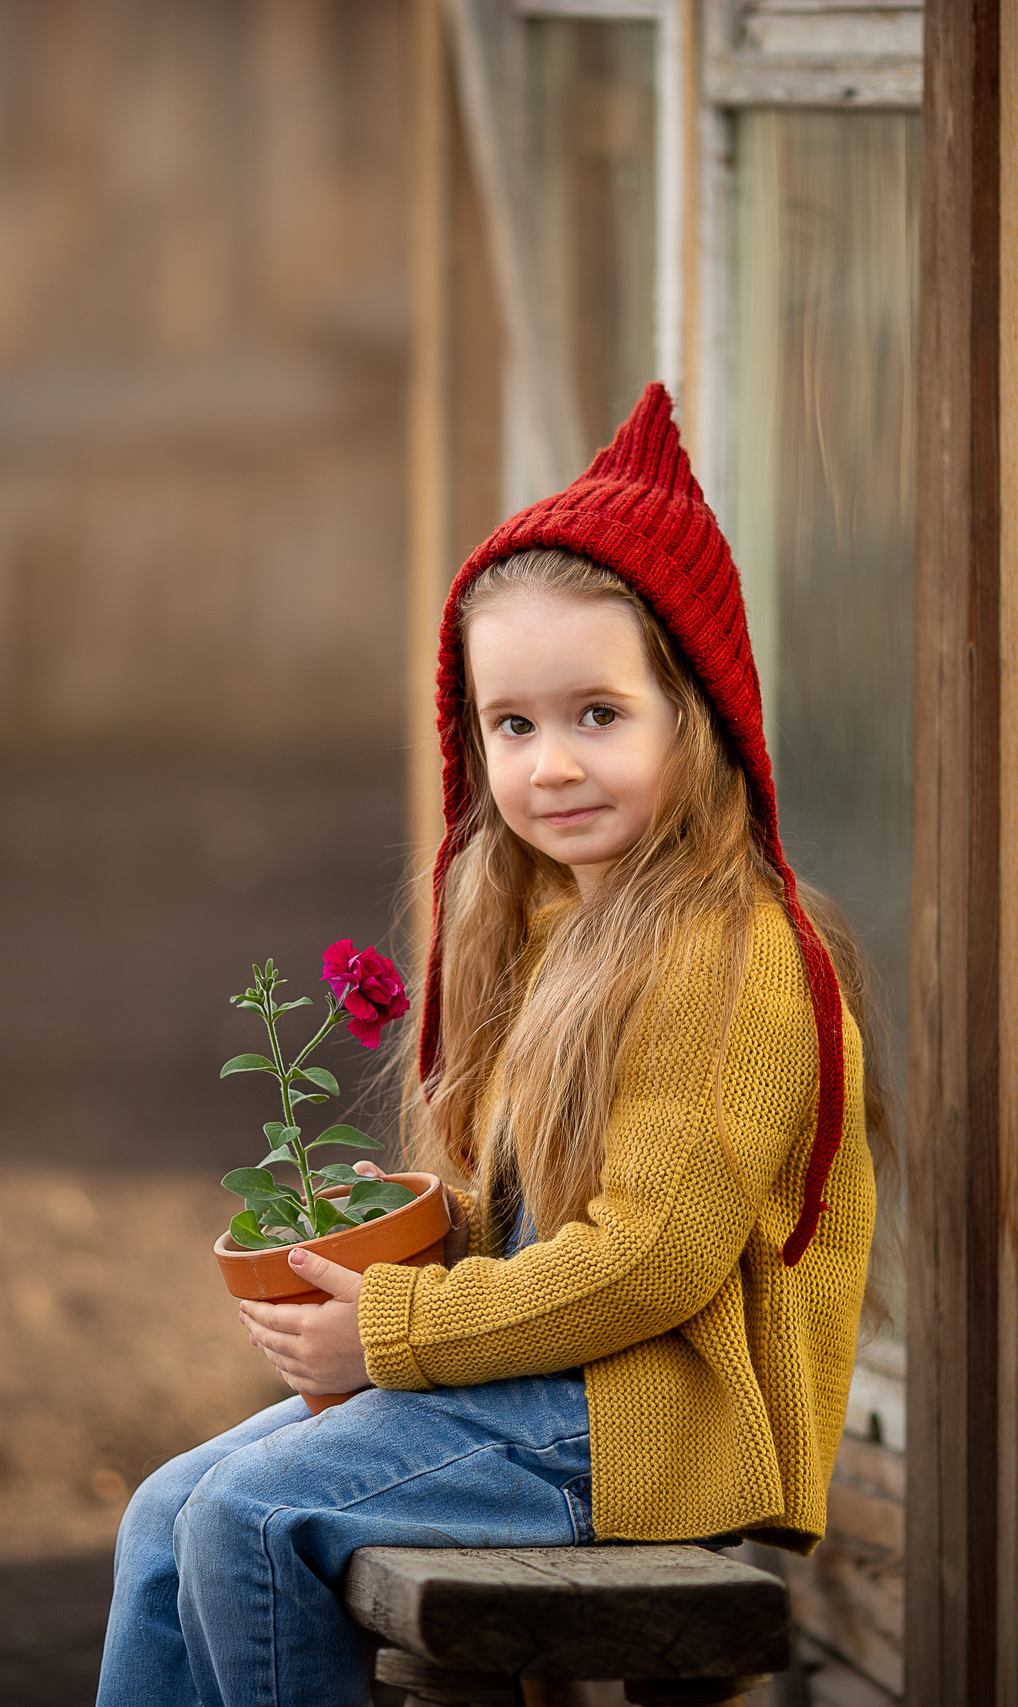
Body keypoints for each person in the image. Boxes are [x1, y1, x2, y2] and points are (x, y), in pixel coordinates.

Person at [96, 384, 890, 1707]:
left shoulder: (729, 955)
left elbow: (647, 1267)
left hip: (641, 1421)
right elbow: (536, 1226)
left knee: (246, 1523)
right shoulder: (559, 927)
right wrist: (406, 1247)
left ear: (694, 714)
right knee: (164, 1510)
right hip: (540, 1383)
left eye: (599, 715)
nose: (552, 766)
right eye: (513, 725)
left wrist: (391, 1329)